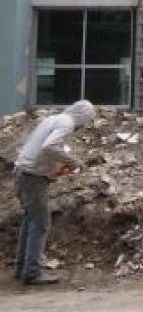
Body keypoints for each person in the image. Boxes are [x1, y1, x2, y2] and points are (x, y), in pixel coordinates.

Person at [13, 100, 95, 285]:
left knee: (29, 220)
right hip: (32, 177)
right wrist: (74, 162)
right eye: (85, 122)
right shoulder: (67, 123)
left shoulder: (52, 119)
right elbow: (49, 147)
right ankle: (32, 272)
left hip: (23, 173)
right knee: (40, 223)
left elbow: (40, 150)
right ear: (82, 117)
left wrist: (53, 171)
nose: (81, 128)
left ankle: (21, 267)